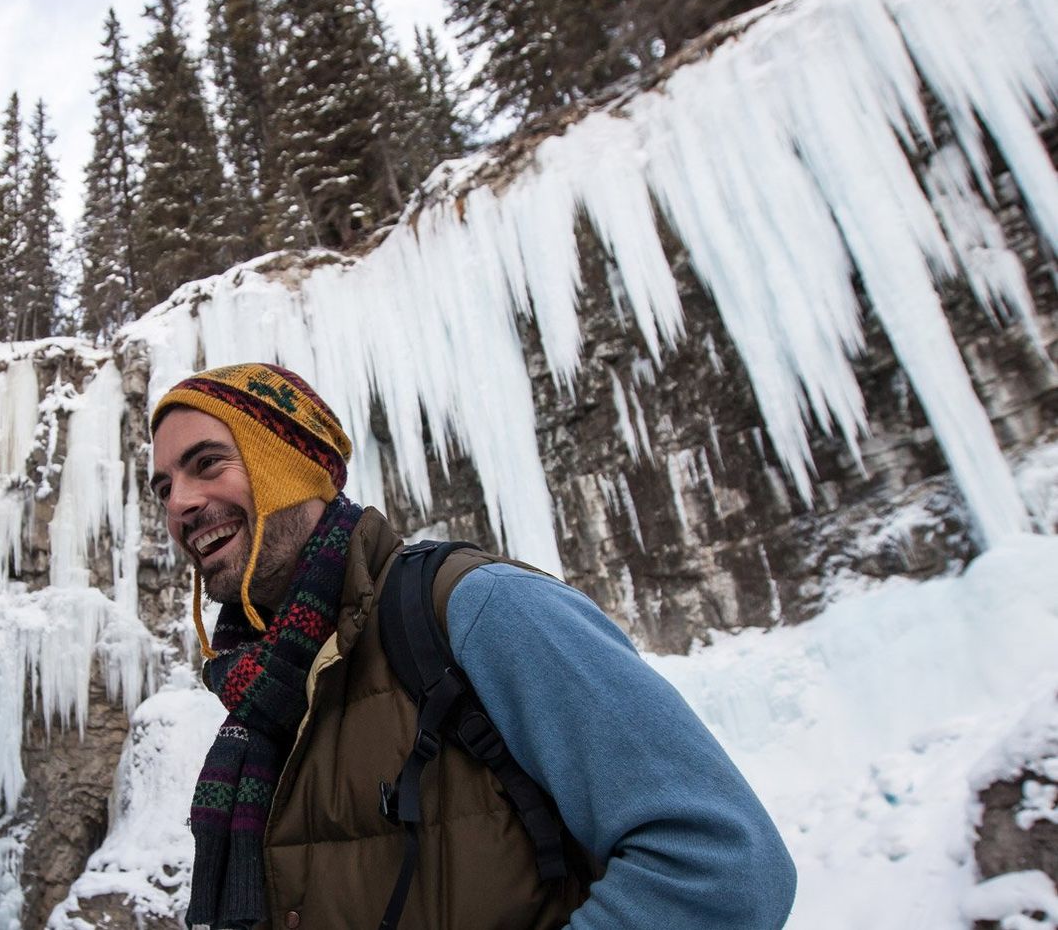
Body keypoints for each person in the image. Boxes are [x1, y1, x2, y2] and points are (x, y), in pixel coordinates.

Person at [148, 362, 796, 930]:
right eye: (163, 488)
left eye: (207, 463)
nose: (180, 503)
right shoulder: (272, 695)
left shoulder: (476, 609)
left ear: (291, 468)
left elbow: (723, 866)